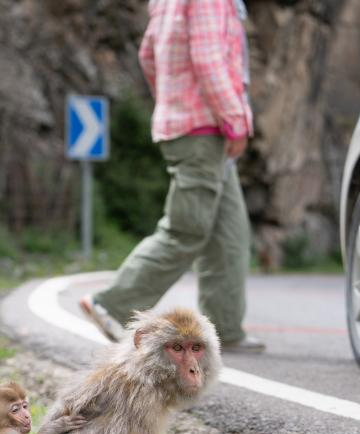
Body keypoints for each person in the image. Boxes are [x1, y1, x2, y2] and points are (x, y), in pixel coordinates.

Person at [80, 0, 265, 353]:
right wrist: (235, 120)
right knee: (187, 229)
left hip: (194, 126)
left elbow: (149, 54)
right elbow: (210, 61)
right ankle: (112, 304)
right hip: (203, 128)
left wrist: (171, 99)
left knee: (230, 233)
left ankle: (224, 328)